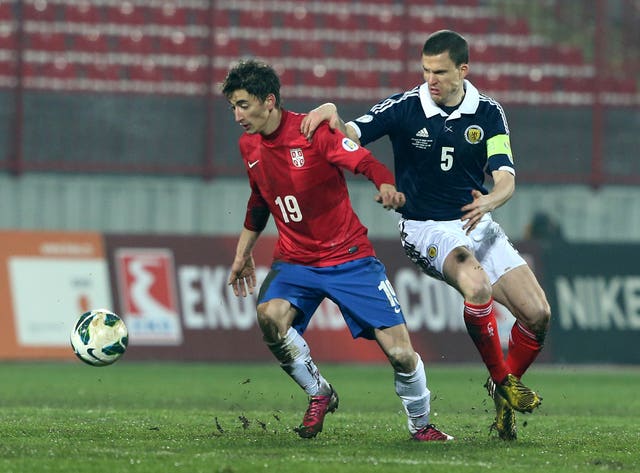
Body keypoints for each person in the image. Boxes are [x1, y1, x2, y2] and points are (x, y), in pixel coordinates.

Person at [300, 30, 550, 441]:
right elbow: (349, 134)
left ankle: (501, 387)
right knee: (476, 284)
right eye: (425, 70)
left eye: (440, 72)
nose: (430, 79)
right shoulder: (405, 107)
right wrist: (331, 111)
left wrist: (490, 201)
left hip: (477, 221)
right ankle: (503, 381)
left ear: (462, 71)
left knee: (538, 315)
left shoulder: (487, 112)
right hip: (425, 226)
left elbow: (506, 177)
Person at [222, 59, 452, 441]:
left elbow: (366, 162)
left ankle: (421, 425)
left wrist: (386, 186)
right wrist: (242, 253)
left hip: (350, 259)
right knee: (269, 318)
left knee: (399, 354)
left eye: (243, 105)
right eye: (233, 107)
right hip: (296, 260)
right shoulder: (249, 145)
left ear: (269, 101)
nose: (237, 116)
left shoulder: (313, 132)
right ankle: (319, 392)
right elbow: (259, 200)